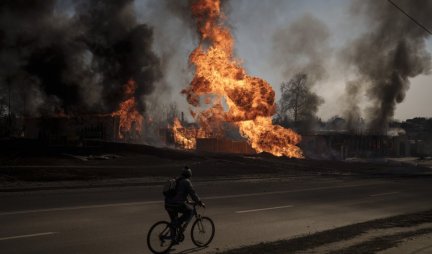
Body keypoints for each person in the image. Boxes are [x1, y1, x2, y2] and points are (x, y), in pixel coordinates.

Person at [165, 166, 204, 241]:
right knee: (190, 211)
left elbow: (179, 192)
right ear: (189, 175)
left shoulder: (177, 179)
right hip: (175, 204)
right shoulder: (186, 181)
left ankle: (173, 239)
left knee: (174, 221)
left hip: (168, 203)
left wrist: (187, 200)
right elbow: (193, 193)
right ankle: (175, 226)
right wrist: (199, 202)